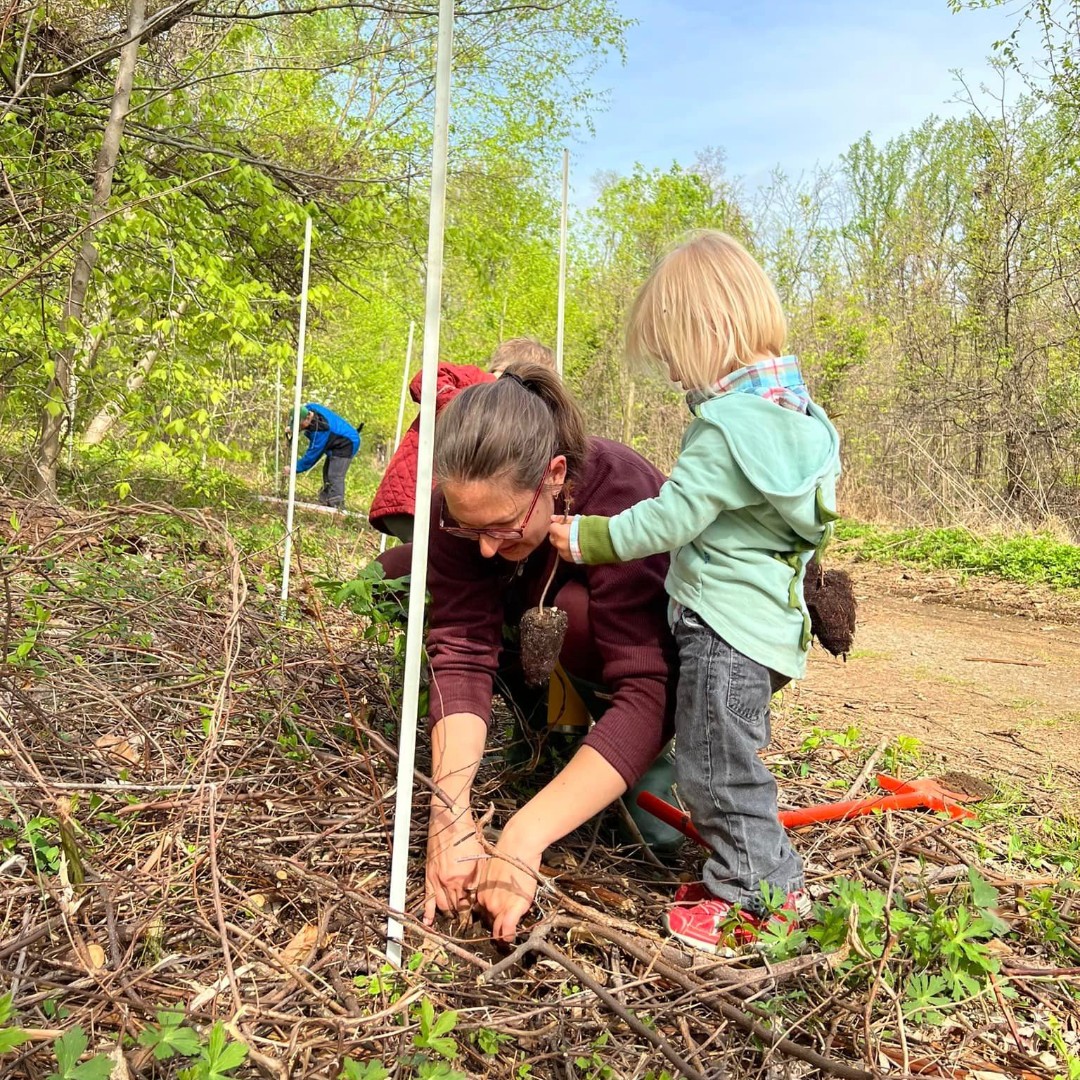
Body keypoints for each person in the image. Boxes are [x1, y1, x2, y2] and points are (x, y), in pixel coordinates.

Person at [549, 230, 842, 954]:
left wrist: (588, 537)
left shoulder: (724, 427)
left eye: (673, 350)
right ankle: (743, 871)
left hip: (724, 631)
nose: (672, 370)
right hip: (768, 629)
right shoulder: (798, 416)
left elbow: (672, 516)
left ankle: (761, 897)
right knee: (724, 760)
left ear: (708, 331)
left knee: (714, 768)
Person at [377, 360, 684, 944]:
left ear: (554, 475)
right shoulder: (461, 510)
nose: (487, 550)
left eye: (503, 527)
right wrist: (450, 810)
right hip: (534, 632)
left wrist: (522, 837)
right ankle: (546, 731)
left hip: (679, 661)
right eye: (471, 531)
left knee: (656, 836)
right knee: (398, 573)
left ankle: (627, 755)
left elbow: (648, 688)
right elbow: (463, 651)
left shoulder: (623, 493)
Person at [369, 339, 556, 544]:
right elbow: (426, 378)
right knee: (432, 561)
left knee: (424, 559)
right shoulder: (481, 385)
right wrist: (466, 409)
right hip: (417, 495)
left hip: (422, 498)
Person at [284, 403, 361, 510]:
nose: (298, 427)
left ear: (307, 419)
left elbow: (310, 458)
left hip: (348, 443)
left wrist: (293, 468)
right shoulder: (310, 408)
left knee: (335, 475)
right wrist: (291, 427)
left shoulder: (320, 432)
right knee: (327, 472)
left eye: (299, 425)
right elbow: (298, 413)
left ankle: (337, 506)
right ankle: (325, 501)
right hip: (338, 439)